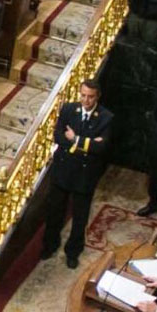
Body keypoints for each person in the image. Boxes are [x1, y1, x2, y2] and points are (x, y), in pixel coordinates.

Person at [40, 79, 112, 267]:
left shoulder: (105, 117)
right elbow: (58, 136)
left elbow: (101, 147)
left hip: (85, 175)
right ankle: (50, 245)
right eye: (83, 95)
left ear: (97, 97)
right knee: (55, 210)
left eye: (90, 97)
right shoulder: (69, 110)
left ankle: (73, 251)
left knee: (80, 216)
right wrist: (86, 144)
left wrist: (76, 139)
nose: (86, 100)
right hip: (63, 169)